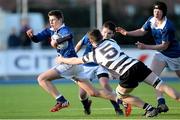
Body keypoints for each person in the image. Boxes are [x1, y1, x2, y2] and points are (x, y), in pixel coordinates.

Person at [56, 29, 180, 118]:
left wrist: (61, 60)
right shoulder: (111, 42)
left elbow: (75, 60)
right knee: (160, 84)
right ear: (101, 36)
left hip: (127, 73)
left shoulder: (94, 55)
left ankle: (150, 109)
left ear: (90, 41)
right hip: (136, 64)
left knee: (120, 96)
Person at [26, 10, 124, 115]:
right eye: (50, 20)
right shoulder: (50, 31)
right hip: (78, 66)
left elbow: (69, 36)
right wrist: (31, 36)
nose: (51, 22)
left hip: (69, 64)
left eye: (53, 20)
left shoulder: (64, 29)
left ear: (60, 19)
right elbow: (37, 39)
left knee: (42, 79)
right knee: (92, 92)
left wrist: (57, 41)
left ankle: (61, 101)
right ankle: (123, 101)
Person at [116, 1, 180, 113]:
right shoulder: (151, 20)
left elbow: (165, 46)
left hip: (174, 55)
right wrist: (127, 33)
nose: (156, 13)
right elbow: (141, 31)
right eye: (155, 11)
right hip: (160, 54)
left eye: (159, 11)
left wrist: (145, 46)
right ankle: (161, 103)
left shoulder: (167, 26)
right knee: (154, 77)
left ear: (164, 12)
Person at [75, 21, 130, 116]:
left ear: (113, 34)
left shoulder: (111, 43)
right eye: (104, 32)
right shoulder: (92, 35)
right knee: (82, 94)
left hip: (100, 66)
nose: (106, 35)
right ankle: (86, 106)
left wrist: (114, 71)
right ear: (101, 30)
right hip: (86, 67)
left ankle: (117, 109)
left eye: (109, 33)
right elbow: (80, 44)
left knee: (105, 85)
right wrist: (73, 54)